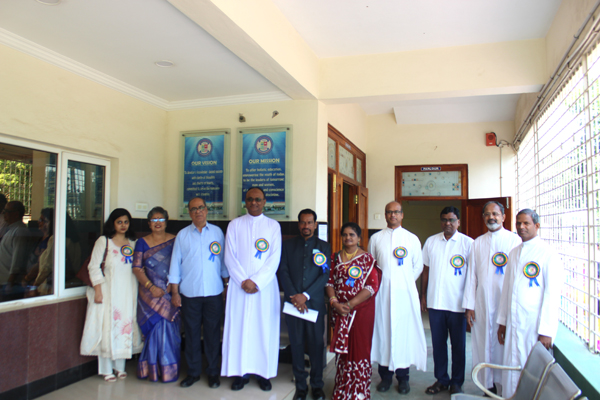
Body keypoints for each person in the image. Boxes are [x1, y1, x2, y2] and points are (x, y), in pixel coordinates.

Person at [221, 187, 282, 391]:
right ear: (245, 202)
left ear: (264, 202)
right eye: (249, 199)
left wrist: (256, 281)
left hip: (264, 288)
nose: (254, 202)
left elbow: (274, 259)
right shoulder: (234, 225)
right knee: (239, 329)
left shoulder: (273, 226)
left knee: (263, 329)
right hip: (239, 287)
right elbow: (229, 256)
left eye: (257, 199)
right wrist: (243, 281)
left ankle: (263, 373)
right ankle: (240, 373)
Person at [496, 209, 561, 398]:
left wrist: (547, 330)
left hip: (533, 325)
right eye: (518, 223)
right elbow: (507, 290)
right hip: (514, 322)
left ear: (537, 226)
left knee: (531, 368)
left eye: (526, 223)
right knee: (512, 366)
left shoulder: (548, 254)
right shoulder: (514, 253)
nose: (521, 227)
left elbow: (552, 294)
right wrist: (503, 321)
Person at [168, 198, 228, 388]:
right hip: (190, 294)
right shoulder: (182, 235)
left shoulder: (217, 233)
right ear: (189, 212)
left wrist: (227, 285)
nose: (198, 211)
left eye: (201, 207)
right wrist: (175, 292)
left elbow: (223, 262)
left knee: (212, 335)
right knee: (192, 334)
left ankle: (212, 372)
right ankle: (193, 373)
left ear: (207, 210)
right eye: (194, 209)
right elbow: (175, 265)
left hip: (214, 292)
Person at [462, 201, 521, 395]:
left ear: (503, 216)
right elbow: (471, 276)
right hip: (482, 303)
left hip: (506, 303)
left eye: (495, 213)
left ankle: (504, 387)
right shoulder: (477, 243)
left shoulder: (514, 241)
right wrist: (469, 305)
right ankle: (487, 386)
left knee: (503, 345)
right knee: (483, 343)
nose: (491, 217)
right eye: (487, 214)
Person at [369, 201, 426, 395]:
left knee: (403, 334)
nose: (392, 215)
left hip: (405, 295)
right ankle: (385, 377)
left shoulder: (411, 239)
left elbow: (418, 266)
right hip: (382, 294)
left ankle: (403, 378)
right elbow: (371, 265)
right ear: (385, 215)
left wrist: (404, 282)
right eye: (389, 212)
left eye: (396, 212)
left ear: (402, 215)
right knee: (383, 332)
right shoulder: (376, 238)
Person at [80, 208, 142, 382]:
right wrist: (98, 291)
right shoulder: (104, 241)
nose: (123, 225)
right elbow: (93, 266)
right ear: (112, 223)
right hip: (108, 292)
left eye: (126, 222)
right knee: (107, 327)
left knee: (124, 326)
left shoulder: (133, 243)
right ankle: (106, 369)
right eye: (119, 222)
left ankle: (120, 367)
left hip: (128, 292)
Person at [278, 209, 331, 400]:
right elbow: (283, 271)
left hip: (314, 304)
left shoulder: (324, 246)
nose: (306, 226)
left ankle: (317, 385)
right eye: (302, 222)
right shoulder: (287, 245)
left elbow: (325, 274)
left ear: (315, 225)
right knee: (297, 344)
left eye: (309, 222)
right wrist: (295, 296)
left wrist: (306, 296)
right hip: (293, 304)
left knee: (316, 345)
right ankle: (300, 386)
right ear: (298, 224)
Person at [421, 206, 473, 395]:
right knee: (438, 344)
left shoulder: (468, 244)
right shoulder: (431, 242)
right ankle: (441, 379)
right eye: (444, 220)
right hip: (436, 303)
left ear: (458, 222)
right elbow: (425, 270)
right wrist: (423, 295)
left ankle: (457, 382)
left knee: (458, 346)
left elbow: (473, 276)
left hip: (458, 305)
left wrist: (470, 304)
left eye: (451, 220)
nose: (448, 223)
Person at [325, 222, 381, 400]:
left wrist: (350, 305)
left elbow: (372, 286)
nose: (348, 238)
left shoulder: (367, 259)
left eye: (352, 235)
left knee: (360, 349)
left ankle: (358, 392)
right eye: (345, 235)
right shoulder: (335, 258)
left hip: (361, 312)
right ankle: (342, 390)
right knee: (344, 353)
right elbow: (329, 282)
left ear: (359, 238)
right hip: (339, 312)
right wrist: (334, 303)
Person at [132, 207, 181, 383]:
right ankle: (152, 370)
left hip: (169, 293)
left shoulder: (175, 240)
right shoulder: (142, 242)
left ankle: (169, 370)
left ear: (166, 222)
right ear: (149, 223)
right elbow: (137, 268)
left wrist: (172, 287)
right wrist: (151, 287)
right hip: (149, 295)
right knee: (154, 330)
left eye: (161, 219)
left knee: (169, 330)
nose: (157, 223)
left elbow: (181, 264)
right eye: (154, 220)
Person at [0, 201, 30, 300]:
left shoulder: (19, 231)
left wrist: (10, 282)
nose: (4, 214)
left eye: (6, 211)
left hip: (10, 283)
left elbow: (18, 259)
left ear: (16, 214)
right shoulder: (10, 229)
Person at [22, 208, 54, 296]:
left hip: (40, 284)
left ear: (50, 223)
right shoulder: (40, 238)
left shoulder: (51, 241)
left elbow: (44, 265)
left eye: (42, 220)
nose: (38, 222)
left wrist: (28, 279)